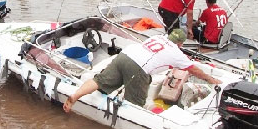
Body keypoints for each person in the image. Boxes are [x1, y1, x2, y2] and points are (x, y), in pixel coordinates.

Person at [63, 29, 221, 113]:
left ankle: (76, 95)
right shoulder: (177, 52)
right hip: (138, 68)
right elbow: (194, 70)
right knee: (136, 104)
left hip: (124, 56)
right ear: (180, 43)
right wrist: (211, 79)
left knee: (99, 80)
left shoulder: (157, 37)